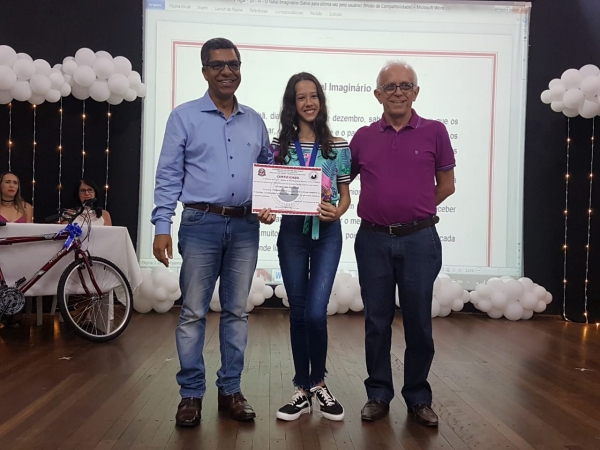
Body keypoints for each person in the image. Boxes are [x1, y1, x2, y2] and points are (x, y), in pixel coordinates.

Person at [151, 37, 274, 427]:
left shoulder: (255, 120)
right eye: (218, 65)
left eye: (233, 64)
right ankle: (190, 395)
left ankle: (231, 391)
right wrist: (161, 225)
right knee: (192, 314)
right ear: (204, 71)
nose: (226, 71)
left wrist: (269, 203)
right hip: (200, 224)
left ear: (240, 70)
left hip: (245, 227)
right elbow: (168, 175)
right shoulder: (183, 117)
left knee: (236, 312)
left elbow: (268, 172)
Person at [350, 61, 455, 427]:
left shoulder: (435, 131)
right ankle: (378, 394)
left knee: (419, 323)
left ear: (416, 92)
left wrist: (416, 210)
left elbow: (447, 185)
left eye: (405, 85)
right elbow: (341, 181)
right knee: (376, 322)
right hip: (373, 240)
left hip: (420, 241)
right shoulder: (363, 137)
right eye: (390, 87)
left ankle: (418, 397)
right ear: (377, 94)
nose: (398, 92)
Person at [269, 73, 351, 422]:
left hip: (327, 234)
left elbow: (345, 196)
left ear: (321, 100)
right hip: (291, 233)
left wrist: (338, 212)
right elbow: (271, 193)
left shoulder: (339, 146)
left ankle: (319, 383)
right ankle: (303, 389)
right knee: (299, 312)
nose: (308, 102)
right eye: (301, 97)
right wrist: (266, 213)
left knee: (316, 312)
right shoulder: (280, 147)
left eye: (313, 95)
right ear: (292, 103)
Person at [0, 171, 32, 328]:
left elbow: (30, 233)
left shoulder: (26, 207)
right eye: (7, 182)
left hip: (20, 252)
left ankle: (15, 310)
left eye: (15, 182)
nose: (12, 185)